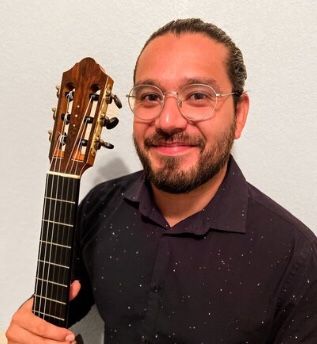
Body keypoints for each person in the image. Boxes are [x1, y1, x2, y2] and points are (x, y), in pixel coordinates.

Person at [6, 18, 317, 344]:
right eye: (150, 96)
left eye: (198, 95)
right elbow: (55, 310)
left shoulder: (296, 260)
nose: (168, 120)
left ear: (239, 115)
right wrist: (30, 328)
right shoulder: (100, 208)